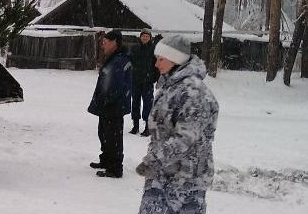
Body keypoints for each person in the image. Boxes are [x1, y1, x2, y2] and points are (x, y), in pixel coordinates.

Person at [136, 34, 219, 214]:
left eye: (161, 59)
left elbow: (185, 139)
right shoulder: (170, 87)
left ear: (175, 60)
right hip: (163, 174)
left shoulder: (194, 93)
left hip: (185, 180)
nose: (156, 64)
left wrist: (155, 160)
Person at [88, 29, 132, 178]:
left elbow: (117, 86)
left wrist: (107, 100)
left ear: (115, 43)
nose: (103, 46)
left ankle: (115, 168)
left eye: (105, 43)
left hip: (114, 106)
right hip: (108, 105)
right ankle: (106, 160)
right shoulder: (114, 58)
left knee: (113, 137)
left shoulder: (119, 60)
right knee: (104, 133)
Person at [130, 28, 160, 136]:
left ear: (150, 38)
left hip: (147, 81)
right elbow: (130, 63)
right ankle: (135, 126)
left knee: (147, 104)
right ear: (140, 37)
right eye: (143, 36)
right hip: (135, 80)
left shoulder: (154, 49)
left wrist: (154, 78)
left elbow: (157, 66)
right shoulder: (135, 48)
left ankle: (148, 127)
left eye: (147, 36)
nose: (145, 37)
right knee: (135, 103)